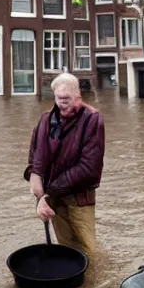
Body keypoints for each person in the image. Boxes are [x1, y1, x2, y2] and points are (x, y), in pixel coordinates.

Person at [24, 72, 105, 257]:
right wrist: (34, 177)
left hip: (78, 197)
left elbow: (89, 169)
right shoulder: (45, 119)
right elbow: (36, 155)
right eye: (59, 98)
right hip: (53, 197)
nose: (62, 103)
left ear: (78, 96)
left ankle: (91, 280)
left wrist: (49, 192)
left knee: (88, 251)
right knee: (66, 248)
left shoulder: (92, 119)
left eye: (67, 99)